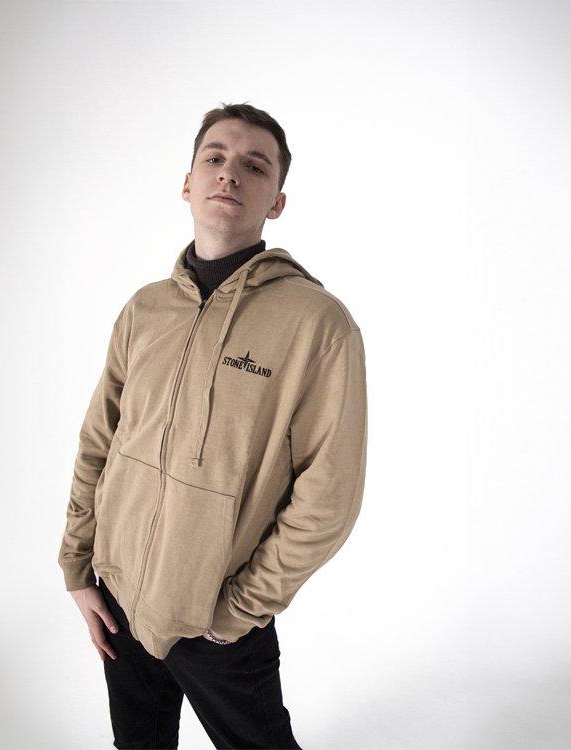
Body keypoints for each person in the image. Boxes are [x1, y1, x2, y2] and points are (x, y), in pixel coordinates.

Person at [57, 102, 368, 749]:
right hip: (119, 599)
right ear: (188, 183)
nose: (230, 173)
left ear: (277, 201)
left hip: (215, 620)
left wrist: (238, 611)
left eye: (255, 166)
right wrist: (79, 567)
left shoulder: (318, 325)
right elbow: (99, 443)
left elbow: (329, 497)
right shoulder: (144, 310)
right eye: (215, 158)